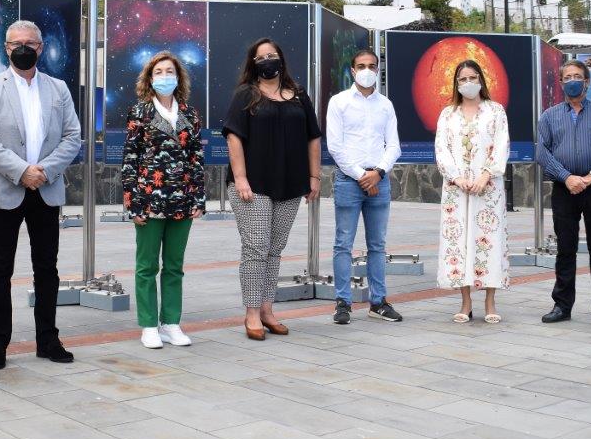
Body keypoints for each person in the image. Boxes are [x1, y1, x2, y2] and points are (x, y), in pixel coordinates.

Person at [0, 20, 82, 370]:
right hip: (7, 188)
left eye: (30, 43)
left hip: (46, 189)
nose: (23, 48)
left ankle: (48, 340)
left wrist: (44, 171)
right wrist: (22, 171)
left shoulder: (59, 89)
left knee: (47, 268)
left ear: (41, 46)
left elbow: (72, 137)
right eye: (15, 43)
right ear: (6, 49)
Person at [223, 37, 321, 340]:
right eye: (262, 56)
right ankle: (251, 313)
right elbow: (233, 137)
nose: (268, 60)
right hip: (253, 185)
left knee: (275, 250)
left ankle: (267, 309)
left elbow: (313, 137)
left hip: (291, 183)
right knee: (256, 248)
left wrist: (314, 177)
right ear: (254, 63)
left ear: (281, 60)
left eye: (273, 55)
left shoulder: (299, 96)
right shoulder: (246, 95)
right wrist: (240, 177)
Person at [121, 51, 206, 349]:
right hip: (149, 199)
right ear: (149, 78)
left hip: (182, 200)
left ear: (178, 77)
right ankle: (148, 325)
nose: (165, 76)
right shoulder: (139, 112)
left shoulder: (191, 114)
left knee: (174, 265)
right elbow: (130, 159)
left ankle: (171, 323)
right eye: (158, 72)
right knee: (146, 266)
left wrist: (199, 198)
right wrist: (132, 203)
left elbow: (196, 158)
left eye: (170, 71)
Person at [537, 59, 591, 327]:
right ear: (561, 82)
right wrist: (567, 177)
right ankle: (562, 305)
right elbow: (542, 152)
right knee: (565, 249)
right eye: (568, 76)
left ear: (587, 81)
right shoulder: (549, 116)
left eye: (578, 76)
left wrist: (590, 176)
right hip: (564, 190)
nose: (573, 80)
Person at [325, 47, 402, 325]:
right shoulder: (339, 102)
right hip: (349, 180)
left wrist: (378, 173)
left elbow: (393, 145)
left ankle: (378, 302)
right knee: (343, 244)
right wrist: (362, 175)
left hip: (379, 181)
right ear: (352, 70)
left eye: (372, 65)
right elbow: (335, 146)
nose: (367, 70)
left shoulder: (386, 105)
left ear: (378, 69)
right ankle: (343, 302)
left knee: (378, 245)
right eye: (361, 65)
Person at [434, 60, 511, 322]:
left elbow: (502, 145)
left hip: (488, 188)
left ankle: (490, 301)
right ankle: (465, 302)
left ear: (481, 80)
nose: (468, 83)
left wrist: (486, 174)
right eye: (463, 79)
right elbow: (441, 149)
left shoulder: (495, 111)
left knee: (488, 240)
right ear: (456, 83)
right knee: (459, 242)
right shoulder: (448, 114)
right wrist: (456, 177)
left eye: (472, 77)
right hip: (457, 191)